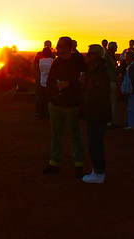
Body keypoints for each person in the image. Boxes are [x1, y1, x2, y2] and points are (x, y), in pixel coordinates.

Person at [42, 36, 86, 178]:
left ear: (68, 47)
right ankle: (54, 162)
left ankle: (79, 164)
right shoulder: (56, 62)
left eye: (60, 46)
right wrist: (50, 99)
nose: (57, 47)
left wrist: (70, 84)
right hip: (56, 104)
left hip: (71, 104)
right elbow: (50, 82)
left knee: (75, 135)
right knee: (56, 135)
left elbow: (83, 81)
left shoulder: (78, 62)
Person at [80, 45, 112, 183]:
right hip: (97, 112)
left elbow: (99, 92)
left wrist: (87, 103)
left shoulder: (99, 71)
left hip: (97, 112)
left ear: (97, 55)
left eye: (91, 53)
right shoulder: (96, 70)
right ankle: (97, 171)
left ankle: (98, 173)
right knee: (95, 142)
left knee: (95, 142)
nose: (88, 55)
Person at [33, 40, 55, 117]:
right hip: (40, 77)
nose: (47, 46)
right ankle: (39, 111)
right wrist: (36, 73)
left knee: (47, 96)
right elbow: (34, 64)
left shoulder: (53, 56)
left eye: (48, 45)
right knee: (40, 95)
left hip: (49, 79)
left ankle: (47, 112)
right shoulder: (39, 54)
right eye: (46, 45)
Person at [104, 41, 119, 127]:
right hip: (110, 81)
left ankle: (111, 121)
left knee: (112, 102)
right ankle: (110, 122)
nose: (117, 49)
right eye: (116, 47)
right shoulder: (108, 57)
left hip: (111, 80)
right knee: (111, 102)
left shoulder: (109, 56)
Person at [37, 47, 54, 119]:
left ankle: (42, 114)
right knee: (50, 99)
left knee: (43, 99)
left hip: (42, 81)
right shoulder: (52, 61)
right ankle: (50, 114)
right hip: (50, 82)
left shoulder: (40, 61)